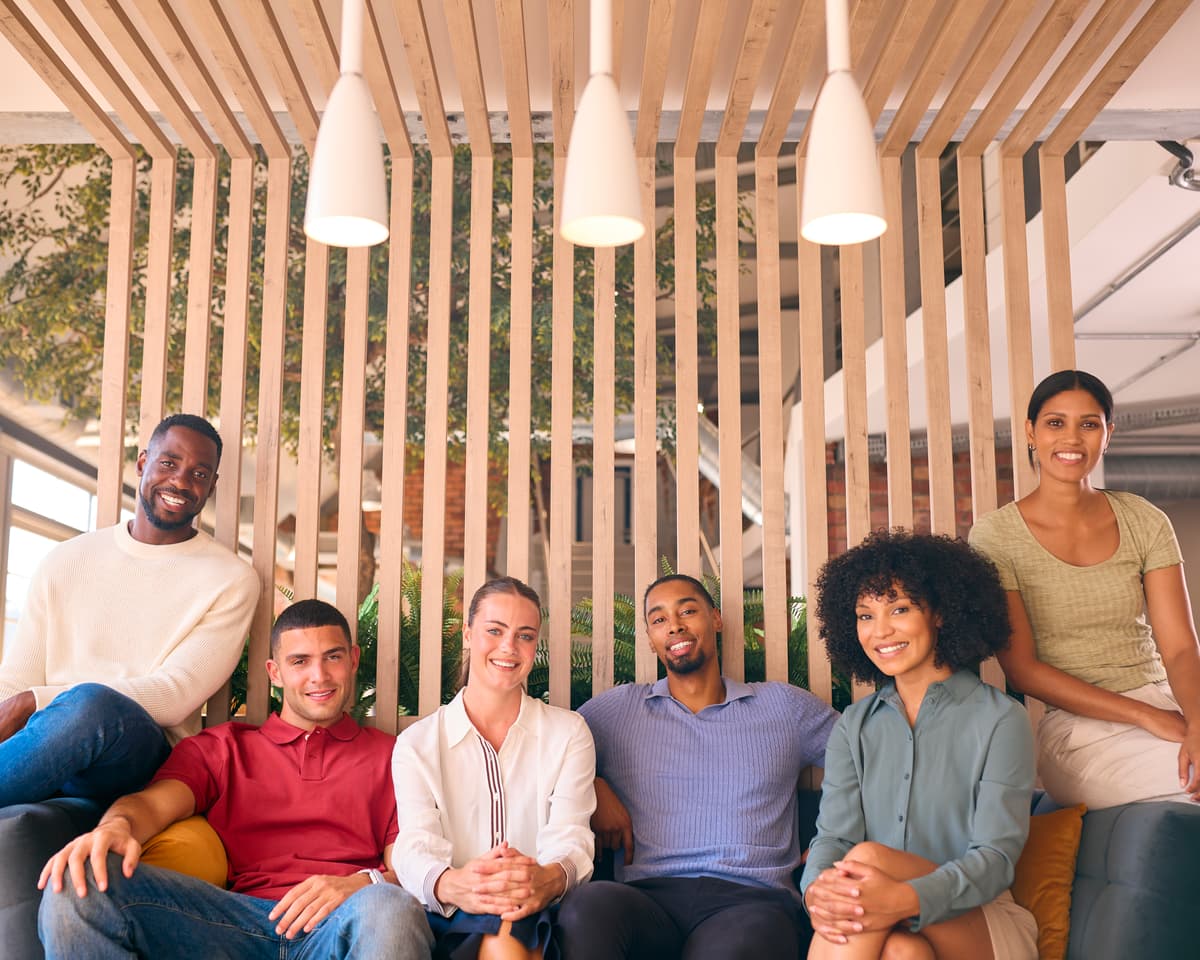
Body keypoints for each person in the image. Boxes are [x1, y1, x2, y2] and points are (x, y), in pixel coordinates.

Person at [37, 598, 433, 960]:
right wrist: (117, 826)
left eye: (332, 657)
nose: (319, 676)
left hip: (345, 922)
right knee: (78, 884)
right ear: (274, 673)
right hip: (232, 924)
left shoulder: (394, 755)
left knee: (390, 907)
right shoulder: (224, 748)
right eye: (300, 662)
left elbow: (411, 868)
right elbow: (152, 803)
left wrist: (361, 885)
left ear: (353, 661)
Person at [555, 573, 839, 960]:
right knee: (587, 908)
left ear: (716, 619)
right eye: (659, 619)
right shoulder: (618, 711)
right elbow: (549, 757)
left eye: (688, 610)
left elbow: (871, 762)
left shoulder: (783, 708)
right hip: (646, 899)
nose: (675, 625)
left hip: (751, 900)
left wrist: (837, 846)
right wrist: (595, 786)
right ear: (651, 637)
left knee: (736, 946)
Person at [0, 413, 259, 809]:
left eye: (199, 473)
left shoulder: (231, 578)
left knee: (93, 703)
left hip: (136, 754)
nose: (181, 481)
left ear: (211, 487)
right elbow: (15, 685)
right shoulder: (67, 559)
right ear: (142, 463)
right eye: (169, 463)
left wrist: (37, 701)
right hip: (47, 746)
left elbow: (173, 695)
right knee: (82, 704)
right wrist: (28, 704)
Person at [969, 369, 1200, 809]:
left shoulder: (1144, 519)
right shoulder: (995, 536)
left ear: (1107, 434)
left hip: (1167, 701)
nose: (1072, 438)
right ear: (1031, 432)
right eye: (1056, 423)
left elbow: (1181, 651)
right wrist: (1150, 719)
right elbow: (1023, 670)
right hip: (1077, 731)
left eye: (1088, 424)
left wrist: (1196, 726)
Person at [801, 530, 1037, 960]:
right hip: (878, 921)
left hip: (981, 921)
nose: (881, 631)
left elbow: (995, 860)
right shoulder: (853, 726)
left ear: (941, 613)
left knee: (869, 856)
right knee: (901, 952)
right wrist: (818, 893)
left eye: (900, 608)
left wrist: (904, 899)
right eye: (865, 615)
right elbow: (833, 837)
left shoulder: (1002, 720)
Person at [391, 576, 596, 960]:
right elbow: (415, 846)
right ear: (468, 634)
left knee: (514, 926)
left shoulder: (569, 733)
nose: (509, 647)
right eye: (494, 630)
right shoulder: (417, 744)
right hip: (453, 913)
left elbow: (572, 835)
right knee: (506, 930)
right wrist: (457, 884)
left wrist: (544, 879)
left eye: (525, 635)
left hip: (545, 905)